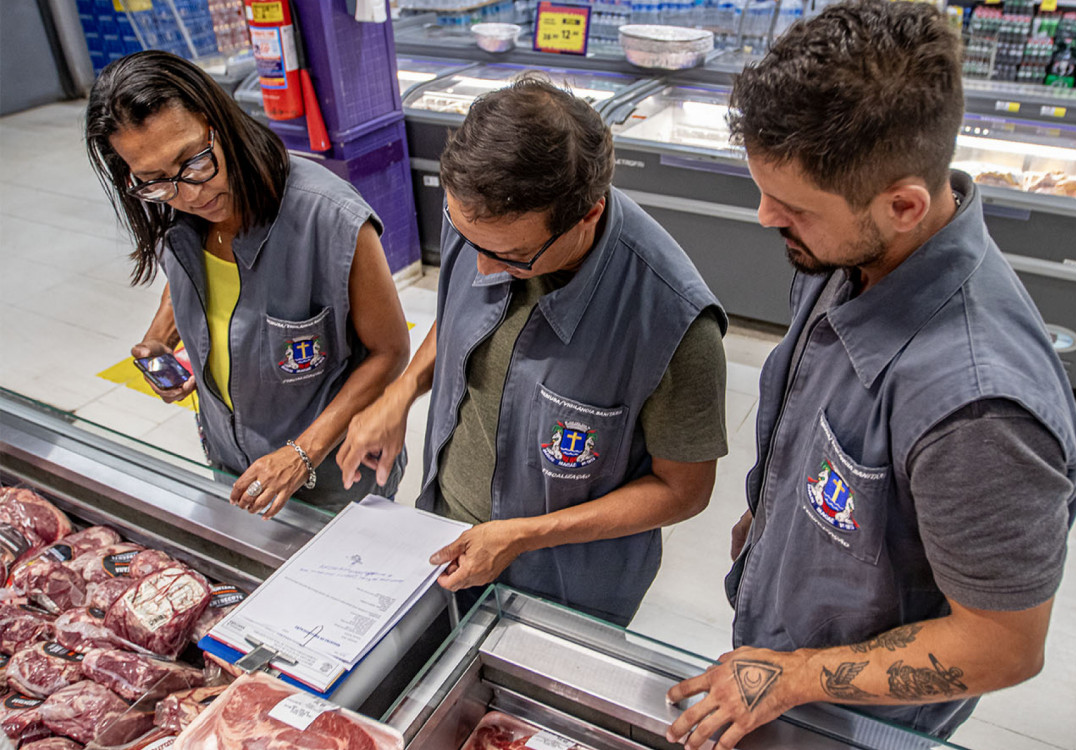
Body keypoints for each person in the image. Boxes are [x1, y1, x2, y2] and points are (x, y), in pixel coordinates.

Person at [665, 1, 1076, 745]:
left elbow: (1002, 644)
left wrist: (793, 677)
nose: (765, 217)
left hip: (854, 721)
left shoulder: (978, 410)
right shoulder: (853, 254)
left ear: (903, 205)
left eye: (792, 207)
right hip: (786, 655)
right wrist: (777, 520)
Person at [338, 78, 729, 626]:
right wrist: (400, 393)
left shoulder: (673, 322)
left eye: (513, 257)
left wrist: (524, 536)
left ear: (587, 215)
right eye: (468, 240)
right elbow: (458, 315)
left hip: (562, 588)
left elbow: (683, 491)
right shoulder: (480, 221)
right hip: (444, 537)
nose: (482, 268)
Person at [85, 51, 410, 519]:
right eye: (154, 180)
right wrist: (160, 335)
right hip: (230, 458)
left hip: (330, 475)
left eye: (193, 161)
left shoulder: (329, 216)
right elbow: (188, 277)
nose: (190, 194)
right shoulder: (176, 209)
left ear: (217, 120)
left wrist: (301, 454)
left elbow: (390, 351)